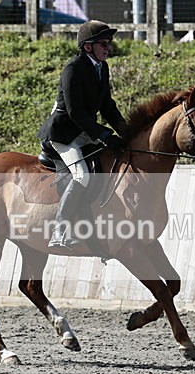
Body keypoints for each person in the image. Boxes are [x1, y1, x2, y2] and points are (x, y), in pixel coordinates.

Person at [37, 19, 128, 249]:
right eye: (103, 44)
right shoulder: (73, 69)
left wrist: (127, 133)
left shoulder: (101, 67)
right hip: (63, 134)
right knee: (82, 176)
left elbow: (107, 104)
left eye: (109, 43)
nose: (108, 48)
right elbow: (75, 111)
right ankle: (60, 231)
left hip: (83, 131)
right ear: (88, 46)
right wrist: (103, 134)